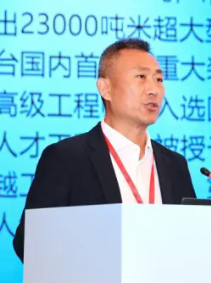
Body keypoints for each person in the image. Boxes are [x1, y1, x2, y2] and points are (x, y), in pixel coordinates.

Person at [12, 38, 196, 262]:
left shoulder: (175, 165)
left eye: (159, 79)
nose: (153, 90)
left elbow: (191, 241)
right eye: (141, 77)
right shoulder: (66, 159)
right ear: (105, 89)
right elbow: (29, 243)